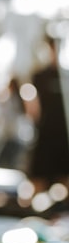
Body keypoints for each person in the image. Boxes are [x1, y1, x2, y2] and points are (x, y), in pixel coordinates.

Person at [25, 35, 69, 195]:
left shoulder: (66, 76)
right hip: (46, 136)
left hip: (64, 137)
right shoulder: (39, 76)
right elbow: (32, 110)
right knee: (38, 180)